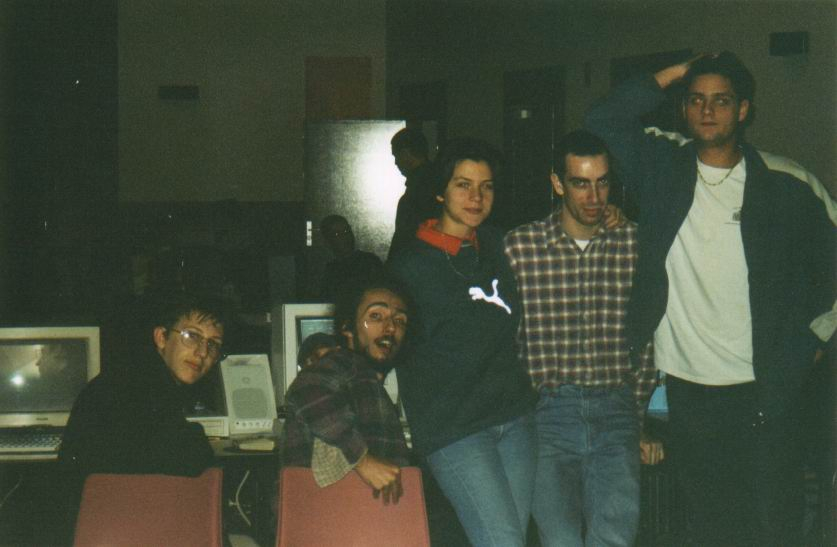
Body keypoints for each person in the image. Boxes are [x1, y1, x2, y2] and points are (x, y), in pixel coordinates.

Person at [585, 52, 834, 546]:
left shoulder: (785, 181)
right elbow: (603, 121)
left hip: (765, 388)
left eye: (721, 100)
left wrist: (814, 341)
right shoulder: (661, 167)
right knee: (708, 524)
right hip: (689, 386)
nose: (707, 109)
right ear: (682, 108)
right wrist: (676, 71)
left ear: (743, 110)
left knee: (773, 524)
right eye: (696, 99)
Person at [504, 129, 660, 547]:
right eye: (580, 183)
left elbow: (649, 335)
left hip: (616, 410)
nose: (594, 197)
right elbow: (503, 341)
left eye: (602, 182)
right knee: (560, 540)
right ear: (557, 183)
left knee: (615, 538)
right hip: (546, 413)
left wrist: (637, 414)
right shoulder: (520, 248)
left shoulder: (635, 244)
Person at [388, 137, 538, 547]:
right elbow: (378, 340)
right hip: (455, 429)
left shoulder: (500, 246)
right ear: (440, 191)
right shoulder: (409, 268)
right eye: (463, 185)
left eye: (486, 187)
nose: (476, 197)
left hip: (515, 419)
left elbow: (558, 237)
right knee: (503, 541)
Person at [57, 291, 228, 540]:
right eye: (192, 336)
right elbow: (190, 463)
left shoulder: (128, 376)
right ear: (161, 337)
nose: (202, 353)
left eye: (213, 345)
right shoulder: (140, 386)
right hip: (125, 532)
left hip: (93, 533)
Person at [280, 275, 411, 503]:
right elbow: (307, 388)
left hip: (357, 511)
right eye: (376, 316)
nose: (391, 327)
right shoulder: (344, 364)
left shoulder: (365, 378)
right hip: (324, 513)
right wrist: (363, 460)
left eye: (400, 320)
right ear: (347, 327)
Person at [388, 128, 438, 260]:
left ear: (405, 154)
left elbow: (405, 239)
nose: (396, 162)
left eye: (396, 156)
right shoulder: (440, 182)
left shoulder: (415, 192)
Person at [319, 214, 384, 302]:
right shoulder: (326, 270)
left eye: (346, 231)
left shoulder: (369, 263)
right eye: (337, 234)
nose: (345, 237)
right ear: (327, 240)